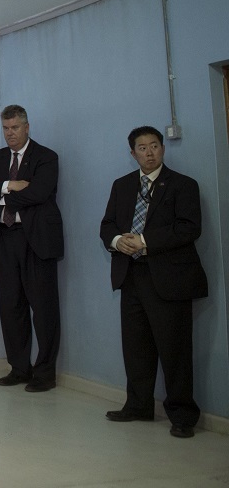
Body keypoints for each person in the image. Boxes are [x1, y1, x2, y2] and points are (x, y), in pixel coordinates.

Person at [99, 126, 207, 438]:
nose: (149, 152)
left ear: (162, 148)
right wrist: (118, 241)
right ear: (132, 153)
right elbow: (107, 224)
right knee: (136, 346)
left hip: (169, 278)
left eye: (155, 146)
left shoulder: (183, 185)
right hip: (131, 274)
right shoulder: (122, 185)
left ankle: (183, 415)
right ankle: (138, 405)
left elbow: (188, 228)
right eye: (142, 148)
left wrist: (144, 240)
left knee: (175, 350)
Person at [0, 105, 64, 392]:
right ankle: (19, 368)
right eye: (5, 128)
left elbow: (39, 193)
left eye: (14, 128)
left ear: (27, 127)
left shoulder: (46, 157)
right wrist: (11, 185)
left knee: (43, 307)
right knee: (11, 306)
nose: (10, 133)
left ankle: (45, 373)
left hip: (36, 239)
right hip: (4, 238)